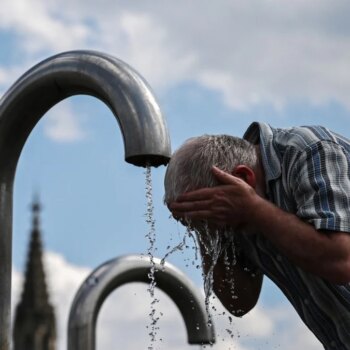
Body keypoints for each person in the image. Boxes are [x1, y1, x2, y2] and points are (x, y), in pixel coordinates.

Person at [164, 122, 350, 350]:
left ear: (243, 178)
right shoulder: (231, 207)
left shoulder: (309, 151)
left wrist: (255, 210)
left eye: (214, 219)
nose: (218, 234)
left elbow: (341, 261)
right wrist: (203, 226)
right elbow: (238, 300)